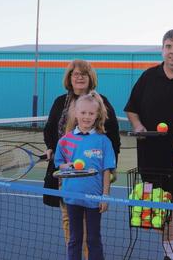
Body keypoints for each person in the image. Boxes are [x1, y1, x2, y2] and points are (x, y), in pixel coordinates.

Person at [124, 29, 173, 260]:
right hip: (151, 156)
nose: (172, 51)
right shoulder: (148, 77)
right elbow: (131, 109)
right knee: (162, 211)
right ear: (162, 50)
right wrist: (138, 126)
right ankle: (170, 255)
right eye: (168, 46)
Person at [43, 60, 121, 258]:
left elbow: (113, 135)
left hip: (94, 179)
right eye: (74, 74)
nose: (79, 77)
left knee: (92, 233)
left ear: (90, 78)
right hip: (67, 178)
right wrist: (52, 148)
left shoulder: (101, 101)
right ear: (69, 78)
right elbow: (50, 129)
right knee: (70, 222)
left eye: (83, 74)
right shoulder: (61, 102)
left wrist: (111, 169)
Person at [54, 91, 116, 260]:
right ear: (75, 113)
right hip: (72, 197)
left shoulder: (103, 141)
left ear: (97, 115)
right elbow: (59, 165)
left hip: (94, 199)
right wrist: (67, 166)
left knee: (93, 239)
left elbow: (106, 171)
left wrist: (105, 195)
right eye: (83, 113)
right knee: (74, 239)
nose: (87, 117)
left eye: (91, 113)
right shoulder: (65, 140)